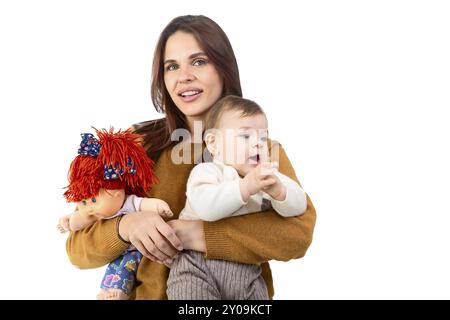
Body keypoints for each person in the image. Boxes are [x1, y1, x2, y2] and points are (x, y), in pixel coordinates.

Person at [65, 15, 316, 299]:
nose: (184, 76)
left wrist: (197, 235)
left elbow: (297, 235)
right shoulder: (135, 144)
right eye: (172, 66)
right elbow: (77, 248)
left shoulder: (260, 150)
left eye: (199, 61)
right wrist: (125, 226)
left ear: (224, 68)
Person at [166, 95, 308, 299]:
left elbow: (300, 205)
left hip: (247, 270)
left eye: (262, 138)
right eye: (245, 136)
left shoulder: (266, 177)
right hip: (196, 267)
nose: (258, 145)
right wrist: (245, 186)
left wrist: (279, 191)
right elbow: (207, 208)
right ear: (213, 144)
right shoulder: (208, 172)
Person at [58, 128, 172, 299]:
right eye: (83, 202)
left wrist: (159, 208)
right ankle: (107, 290)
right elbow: (77, 249)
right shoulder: (139, 137)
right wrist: (68, 221)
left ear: (118, 193)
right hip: (123, 251)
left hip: (139, 255)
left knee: (127, 266)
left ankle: (120, 291)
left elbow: (145, 204)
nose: (89, 207)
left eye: (93, 201)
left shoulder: (129, 202)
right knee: (114, 267)